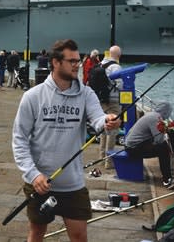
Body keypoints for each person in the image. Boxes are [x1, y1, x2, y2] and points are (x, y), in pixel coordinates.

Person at [12, 39, 121, 242]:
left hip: (73, 184)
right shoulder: (32, 96)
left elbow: (97, 118)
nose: (77, 65)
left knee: (79, 235)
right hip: (39, 182)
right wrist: (33, 175)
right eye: (71, 61)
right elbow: (19, 139)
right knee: (36, 233)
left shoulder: (86, 94)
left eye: (78, 60)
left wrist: (107, 121)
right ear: (56, 62)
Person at [125, 101, 174, 187]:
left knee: (163, 147)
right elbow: (159, 140)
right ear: (166, 111)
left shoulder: (152, 115)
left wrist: (165, 130)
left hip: (132, 145)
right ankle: (167, 179)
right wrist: (169, 132)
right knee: (163, 149)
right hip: (133, 148)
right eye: (169, 112)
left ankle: (167, 176)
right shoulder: (155, 118)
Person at [98, 45, 122, 169]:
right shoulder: (116, 66)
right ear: (119, 55)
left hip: (101, 101)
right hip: (113, 101)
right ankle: (109, 161)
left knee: (103, 128)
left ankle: (102, 158)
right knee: (112, 130)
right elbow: (120, 85)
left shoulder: (101, 64)